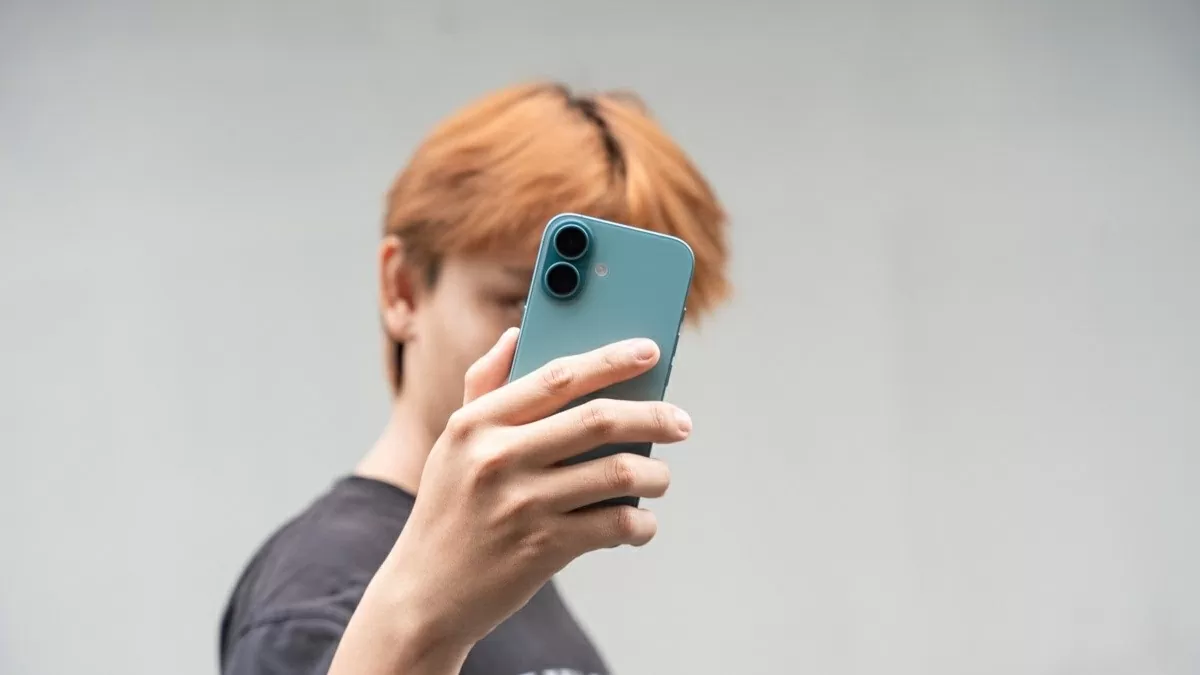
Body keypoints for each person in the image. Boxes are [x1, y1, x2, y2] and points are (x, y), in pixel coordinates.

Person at [218, 81, 731, 675]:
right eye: (526, 302)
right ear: (403, 290)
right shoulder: (320, 595)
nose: (580, 363)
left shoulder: (502, 565)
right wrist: (419, 622)